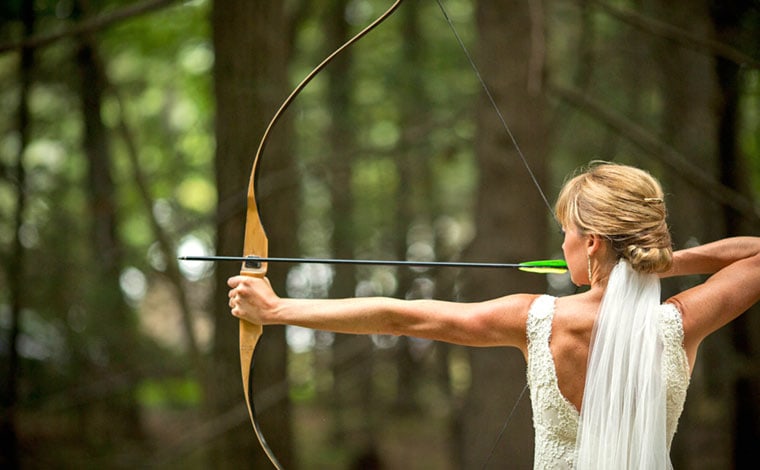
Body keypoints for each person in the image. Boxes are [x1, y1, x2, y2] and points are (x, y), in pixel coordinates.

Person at [227, 162, 760, 469]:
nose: (562, 241)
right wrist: (662, 262)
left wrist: (276, 310)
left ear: (592, 242)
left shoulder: (537, 318)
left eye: (568, 232)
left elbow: (401, 318)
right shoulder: (680, 323)